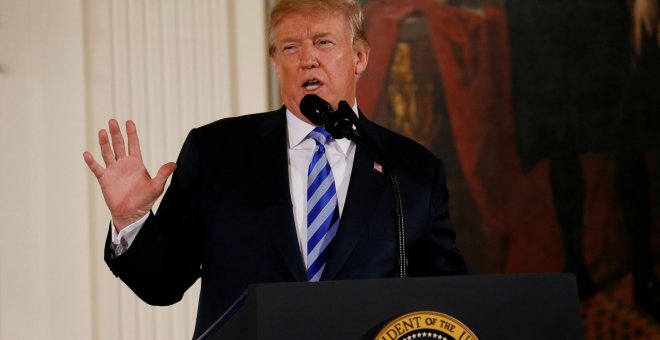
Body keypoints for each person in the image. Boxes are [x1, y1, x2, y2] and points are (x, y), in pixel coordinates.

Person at [83, 0, 468, 337]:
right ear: (275, 63)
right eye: (290, 47)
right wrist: (131, 220)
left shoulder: (413, 171)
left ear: (360, 57)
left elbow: (448, 301)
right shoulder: (218, 152)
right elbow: (162, 283)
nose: (307, 58)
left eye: (323, 42)